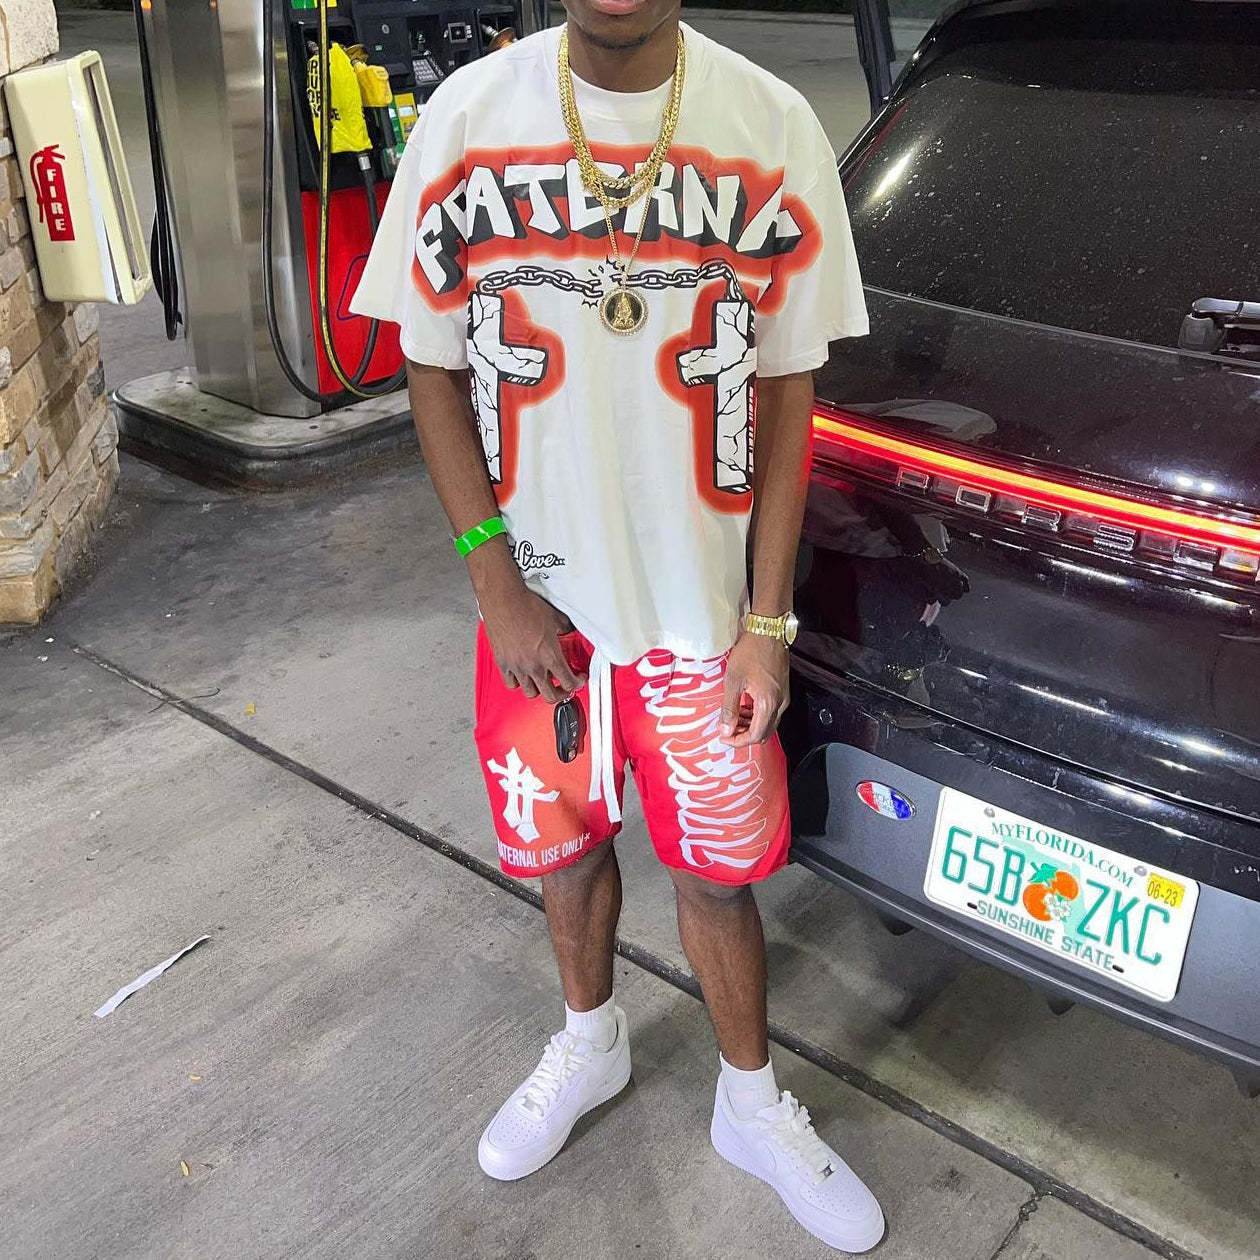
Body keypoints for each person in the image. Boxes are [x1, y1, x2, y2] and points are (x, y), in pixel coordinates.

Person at [352, 0, 882, 1250]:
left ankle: (749, 1103)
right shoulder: (465, 119)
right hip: (539, 608)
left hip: (705, 613)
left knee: (716, 874)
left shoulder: (773, 123)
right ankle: (591, 1042)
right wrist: (495, 584)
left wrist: (767, 620)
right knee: (564, 851)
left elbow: (792, 390)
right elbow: (430, 364)